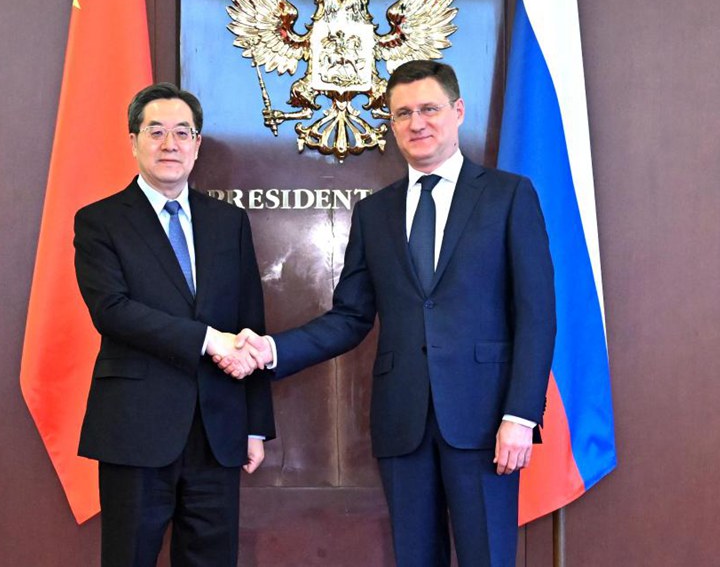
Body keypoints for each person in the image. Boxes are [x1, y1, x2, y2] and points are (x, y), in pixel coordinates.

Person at [222, 61, 556, 566]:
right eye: (402, 113)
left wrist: (520, 415)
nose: (416, 123)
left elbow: (537, 314)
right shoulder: (375, 212)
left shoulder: (509, 196)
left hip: (486, 421)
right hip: (403, 423)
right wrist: (272, 349)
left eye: (429, 109)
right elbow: (350, 317)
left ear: (458, 111)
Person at [73, 83, 273, 567]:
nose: (170, 144)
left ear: (197, 144)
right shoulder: (99, 221)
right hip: (135, 429)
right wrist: (206, 340)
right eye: (156, 131)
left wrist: (255, 426)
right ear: (133, 141)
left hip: (218, 430)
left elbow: (249, 321)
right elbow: (112, 311)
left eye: (183, 133)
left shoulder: (229, 222)